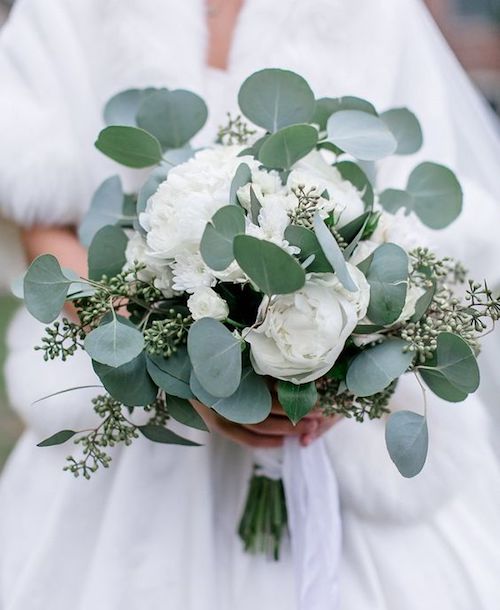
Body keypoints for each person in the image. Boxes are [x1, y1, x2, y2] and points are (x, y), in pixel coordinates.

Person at [0, 1, 499, 608]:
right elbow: (39, 210)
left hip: (336, 439)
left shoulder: (377, 12)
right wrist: (176, 366)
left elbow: (420, 231)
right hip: (135, 419)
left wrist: (337, 367)